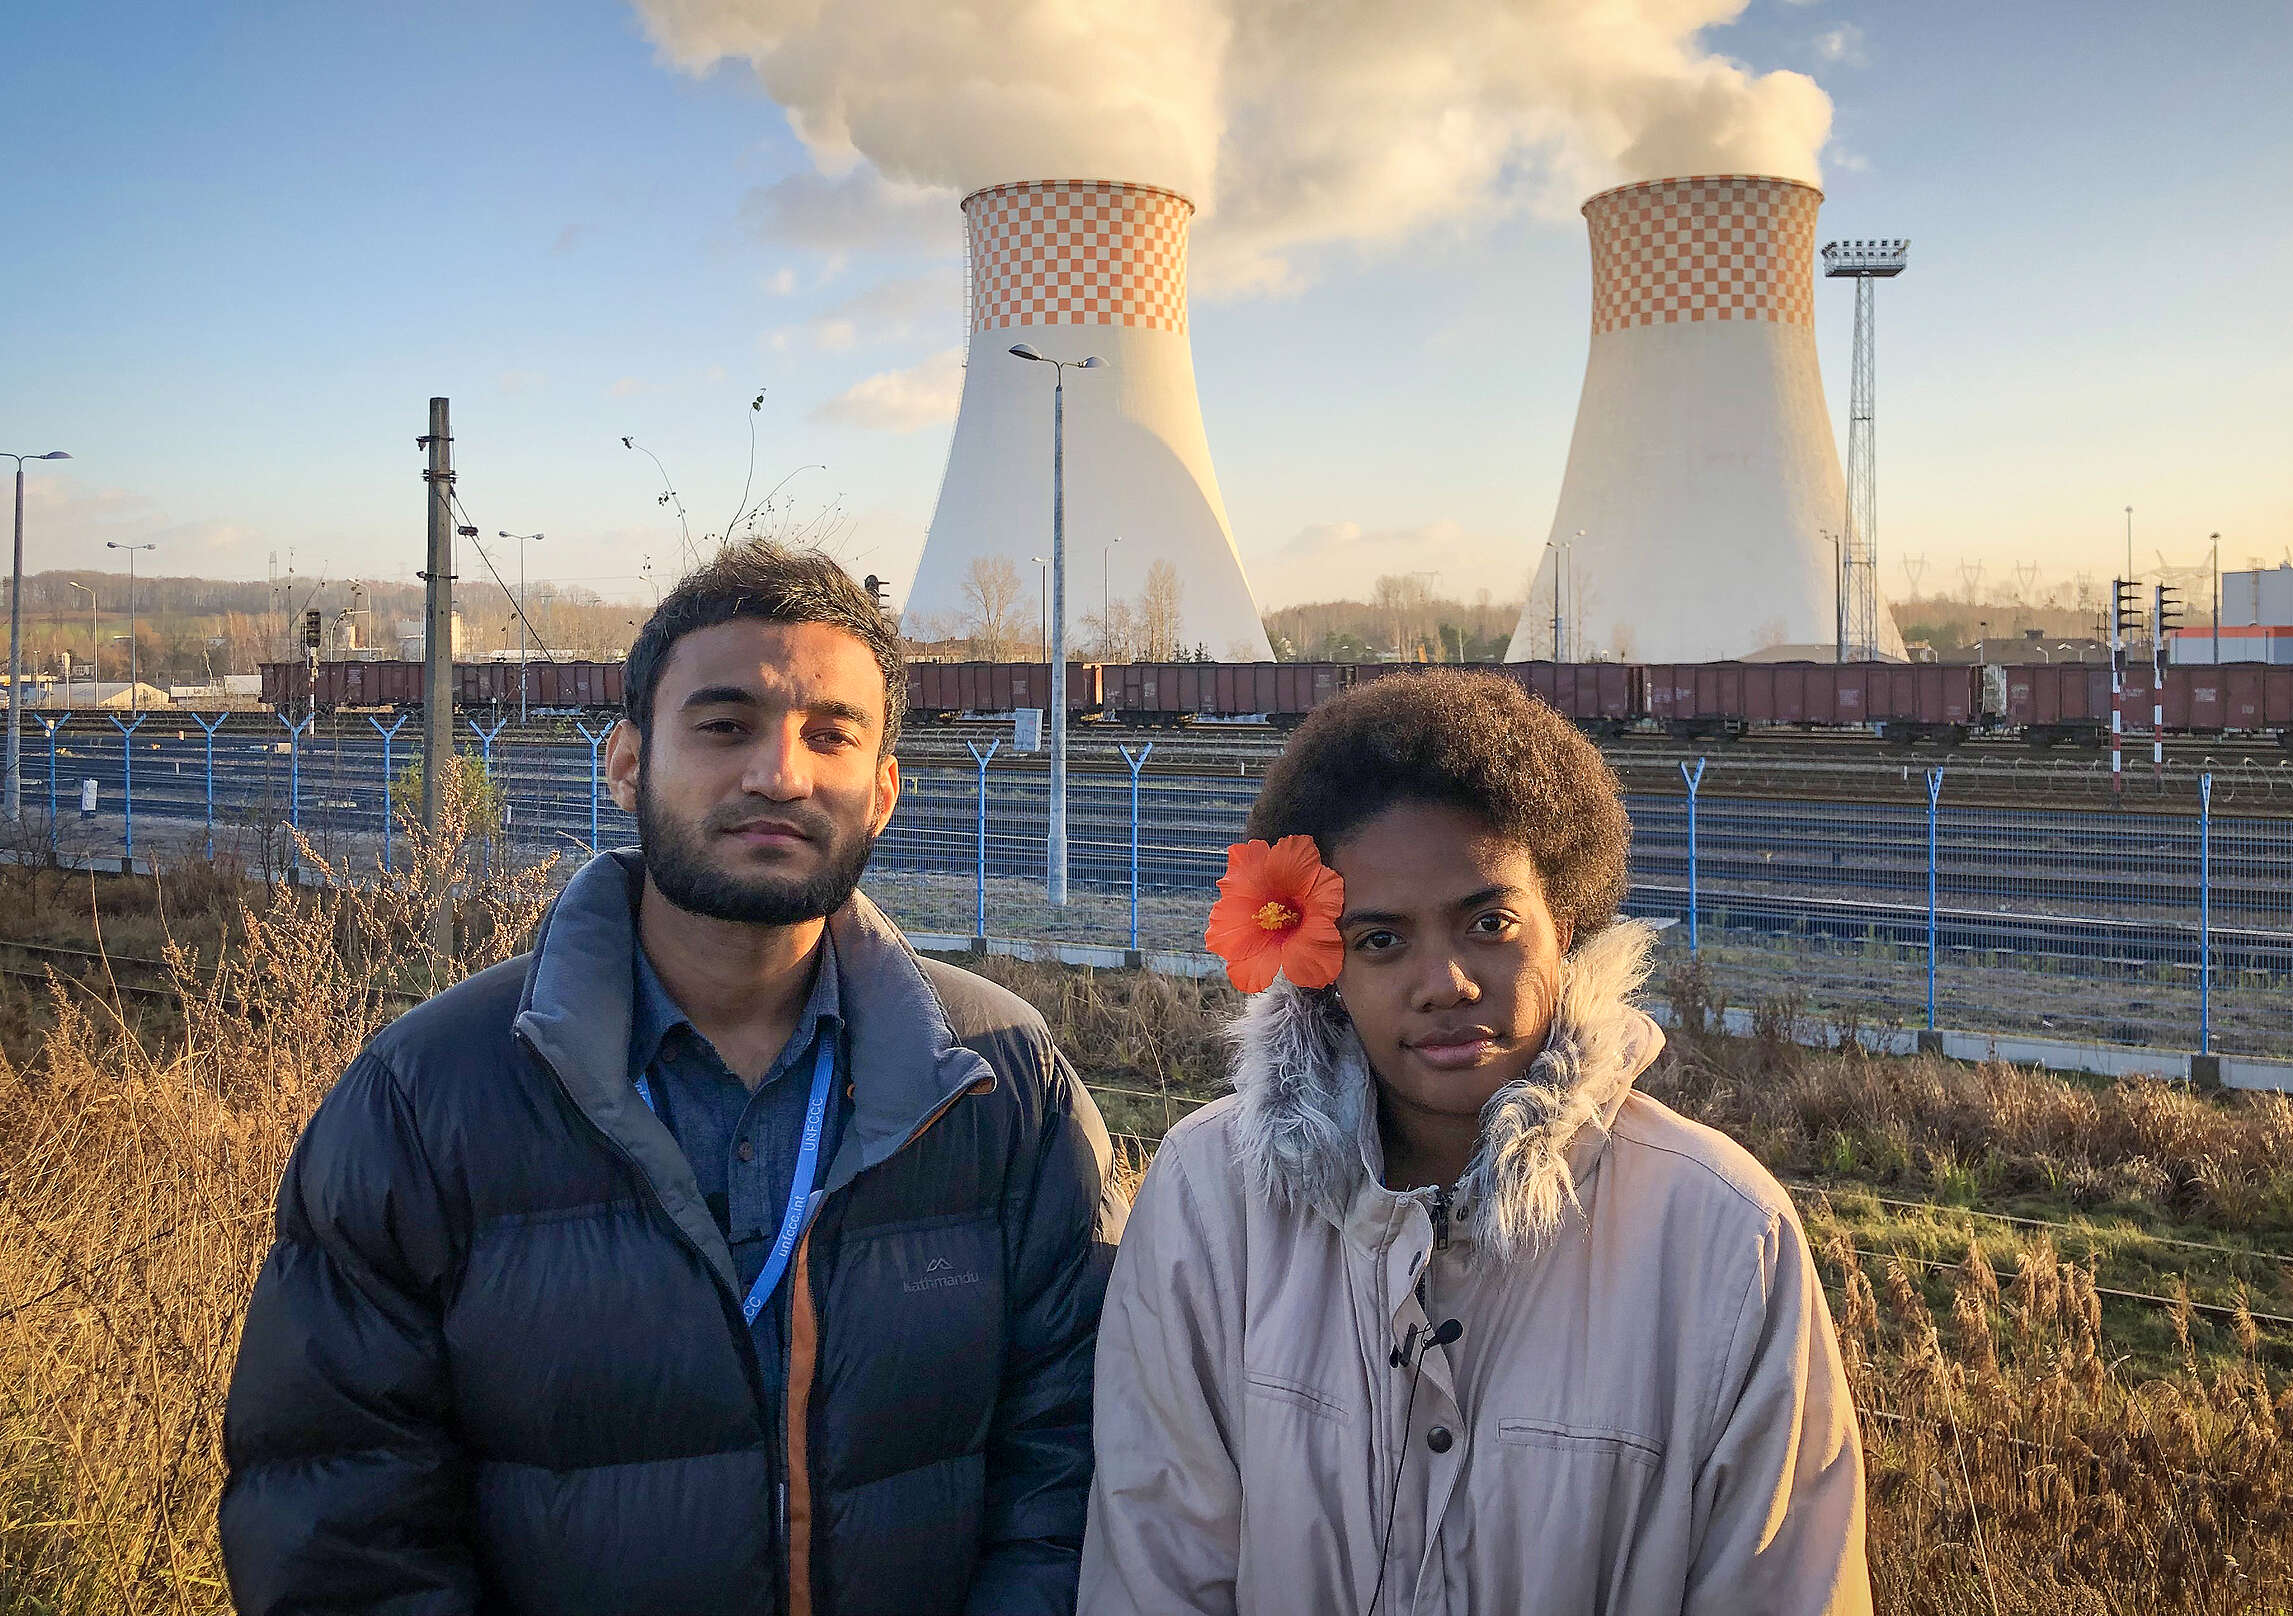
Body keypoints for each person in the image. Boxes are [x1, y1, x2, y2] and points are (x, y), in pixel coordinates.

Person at [222, 540, 1119, 1616]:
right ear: (625, 764)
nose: (779, 775)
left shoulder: (1001, 1084)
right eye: (725, 726)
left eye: (830, 735)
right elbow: (339, 1528)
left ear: (883, 793)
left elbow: (1069, 1472)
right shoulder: (425, 1099)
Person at [1079, 669, 1869, 1614]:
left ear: (1564, 921)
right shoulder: (1212, 1204)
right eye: (1381, 940)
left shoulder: (1724, 1241)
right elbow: (1156, 1568)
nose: (1445, 982)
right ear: (1323, 964)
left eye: (1489, 923)